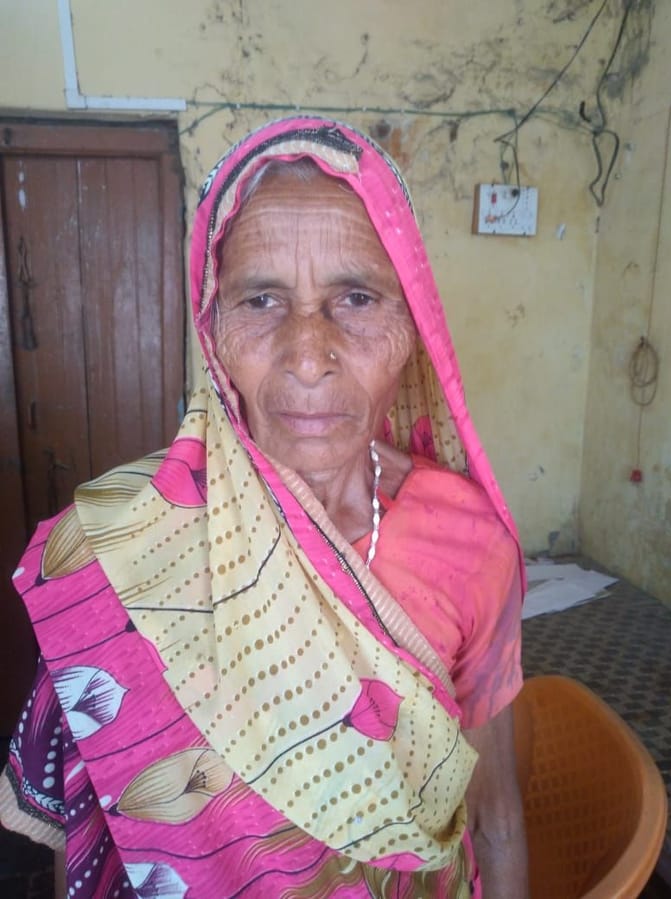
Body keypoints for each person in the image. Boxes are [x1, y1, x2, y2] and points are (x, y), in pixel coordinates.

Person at [0, 116, 528, 898]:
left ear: (412, 325)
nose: (308, 356)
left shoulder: (470, 542)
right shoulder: (116, 552)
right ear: (212, 326)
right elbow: (92, 839)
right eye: (261, 299)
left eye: (356, 297)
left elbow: (495, 816)